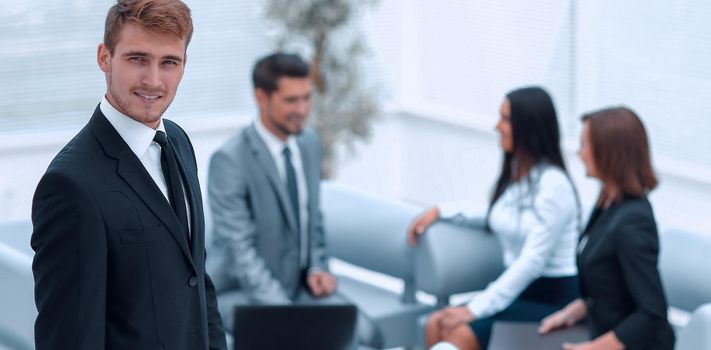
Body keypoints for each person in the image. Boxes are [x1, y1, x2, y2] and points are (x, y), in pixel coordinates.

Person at [30, 1, 227, 349]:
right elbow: (70, 338)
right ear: (105, 58)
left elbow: (197, 283)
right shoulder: (70, 185)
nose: (153, 80)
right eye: (137, 59)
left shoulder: (178, 142)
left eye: (169, 62)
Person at [206, 52, 381, 345]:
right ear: (261, 98)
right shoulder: (229, 160)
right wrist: (285, 313)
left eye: (306, 98)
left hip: (301, 287)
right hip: (243, 294)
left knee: (368, 334)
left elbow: (313, 221)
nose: (302, 109)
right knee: (299, 339)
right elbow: (239, 252)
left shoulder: (309, 143)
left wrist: (318, 267)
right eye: (291, 101)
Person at [408, 86, 581, 350]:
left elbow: (531, 262)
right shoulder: (519, 176)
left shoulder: (554, 185)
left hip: (550, 300)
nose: (497, 126)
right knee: (436, 323)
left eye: (505, 119)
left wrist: (475, 309)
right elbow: (497, 214)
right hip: (517, 293)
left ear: (528, 126)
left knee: (458, 333)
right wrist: (442, 211)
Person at [538, 107, 675, 350]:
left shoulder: (633, 221)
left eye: (583, 145)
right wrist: (573, 311)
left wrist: (591, 349)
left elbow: (652, 314)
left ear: (608, 153)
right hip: (600, 330)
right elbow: (612, 288)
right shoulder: (608, 202)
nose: (579, 153)